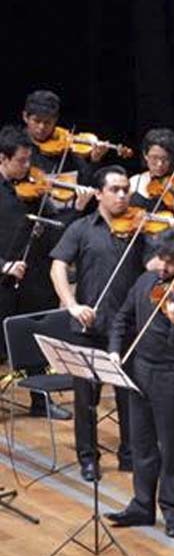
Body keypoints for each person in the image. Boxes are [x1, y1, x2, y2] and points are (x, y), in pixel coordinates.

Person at [50, 165, 145, 482]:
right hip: (89, 328)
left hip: (127, 327)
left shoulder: (139, 228)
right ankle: (88, 457)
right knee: (86, 399)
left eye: (125, 190)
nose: (122, 196)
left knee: (129, 396)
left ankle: (130, 453)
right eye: (115, 190)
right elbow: (58, 266)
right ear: (100, 194)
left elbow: (160, 264)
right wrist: (72, 304)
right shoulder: (81, 228)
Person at [105, 228, 174, 537]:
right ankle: (142, 505)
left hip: (172, 375)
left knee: (172, 448)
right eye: (161, 259)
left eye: (171, 263)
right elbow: (122, 318)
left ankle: (173, 511)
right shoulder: (145, 281)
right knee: (141, 443)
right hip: (139, 369)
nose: (163, 267)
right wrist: (116, 350)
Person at [0, 124, 85, 419]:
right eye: (21, 161)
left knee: (36, 335)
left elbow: (56, 228)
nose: (28, 167)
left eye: (29, 160)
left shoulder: (35, 190)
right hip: (3, 278)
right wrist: (4, 265)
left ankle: (40, 401)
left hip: (33, 277)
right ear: (3, 159)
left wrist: (76, 206)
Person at [22, 89, 108, 181]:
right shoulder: (15, 142)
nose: (41, 127)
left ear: (55, 120)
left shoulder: (65, 145)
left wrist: (95, 160)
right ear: (25, 117)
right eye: (37, 121)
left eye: (47, 122)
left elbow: (86, 181)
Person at [128, 128, 174, 218]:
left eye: (165, 159)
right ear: (145, 155)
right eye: (154, 158)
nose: (160, 164)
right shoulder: (134, 182)